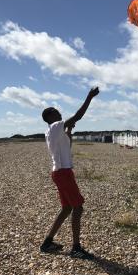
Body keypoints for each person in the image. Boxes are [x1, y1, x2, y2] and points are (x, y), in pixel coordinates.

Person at [40, 87, 99, 258]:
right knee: (78, 207)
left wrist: (69, 132)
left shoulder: (54, 132)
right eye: (56, 112)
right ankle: (76, 247)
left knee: (67, 208)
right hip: (63, 173)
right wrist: (89, 97)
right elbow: (78, 116)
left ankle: (48, 242)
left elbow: (67, 147)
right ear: (50, 117)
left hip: (60, 172)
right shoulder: (54, 126)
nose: (59, 114)